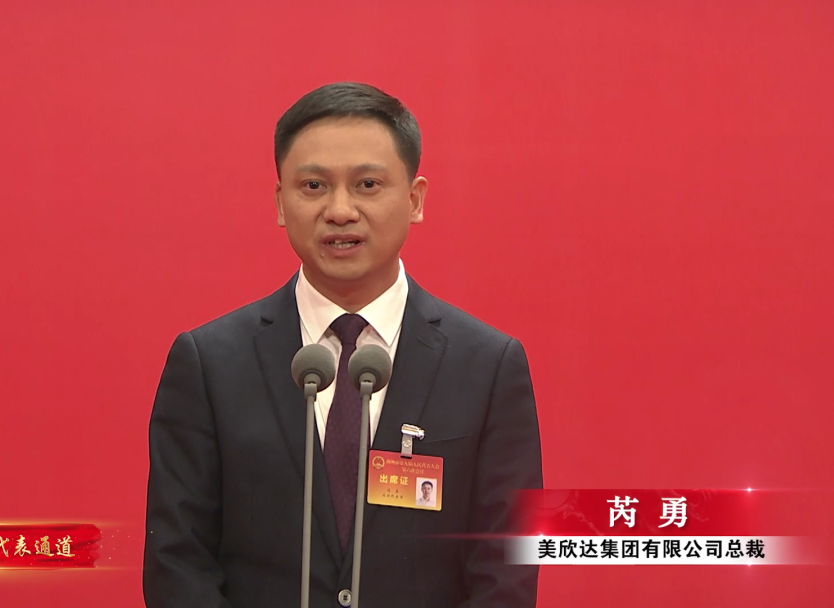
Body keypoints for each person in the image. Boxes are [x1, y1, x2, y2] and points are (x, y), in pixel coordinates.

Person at [144, 82, 542, 607]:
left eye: (367, 185)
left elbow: (506, 569)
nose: (339, 210)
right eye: (313, 186)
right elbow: (178, 561)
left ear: (415, 199)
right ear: (281, 202)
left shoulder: (487, 367)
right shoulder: (209, 363)